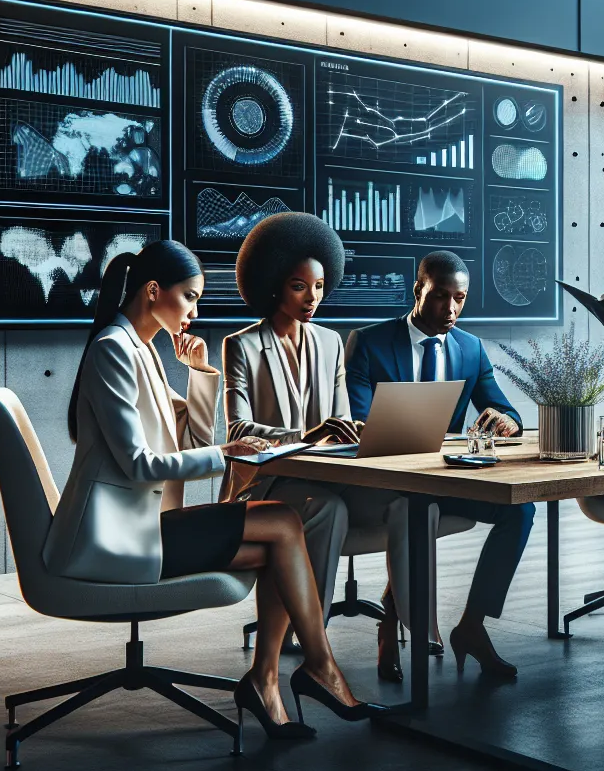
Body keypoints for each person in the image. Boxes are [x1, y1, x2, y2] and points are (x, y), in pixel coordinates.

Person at [42, 240, 383, 741]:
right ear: (153, 291)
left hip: (146, 527)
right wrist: (228, 453)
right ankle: (319, 668)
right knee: (282, 521)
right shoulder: (114, 349)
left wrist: (200, 373)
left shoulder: (142, 349)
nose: (195, 312)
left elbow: (194, 440)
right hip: (118, 537)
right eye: (190, 297)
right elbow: (141, 465)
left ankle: (267, 680)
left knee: (280, 542)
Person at [345, 250, 534, 680]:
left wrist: (508, 421)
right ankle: (392, 619)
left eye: (459, 299)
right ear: (418, 290)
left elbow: (507, 410)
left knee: (521, 510)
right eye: (439, 296)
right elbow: (361, 422)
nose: (450, 308)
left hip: (447, 479)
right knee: (417, 506)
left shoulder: (470, 348)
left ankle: (472, 626)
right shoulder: (370, 342)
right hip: (389, 481)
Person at [222, 212, 391, 659]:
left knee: (403, 502)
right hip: (267, 480)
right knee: (328, 509)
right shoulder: (241, 345)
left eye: (318, 286)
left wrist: (356, 431)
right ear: (275, 284)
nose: (312, 298)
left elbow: (341, 421)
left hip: (326, 473)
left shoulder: (331, 342)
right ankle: (311, 633)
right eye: (300, 286)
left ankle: (403, 623)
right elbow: (238, 430)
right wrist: (306, 435)